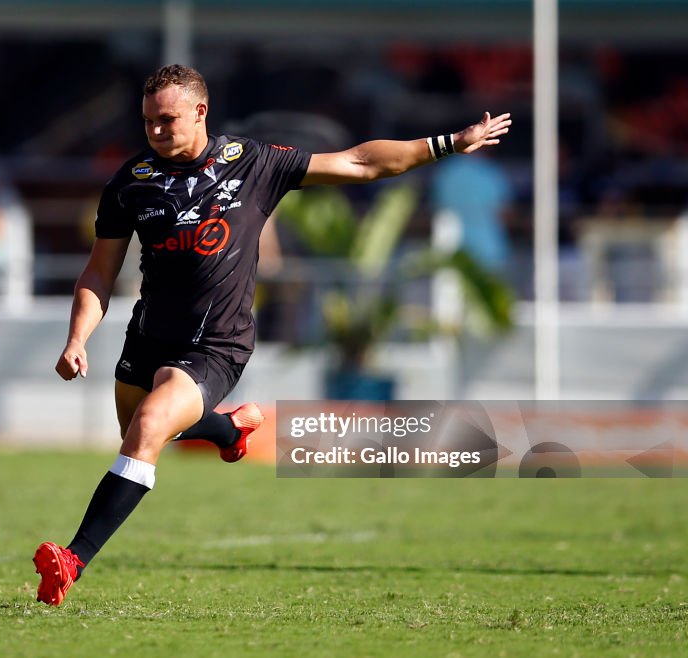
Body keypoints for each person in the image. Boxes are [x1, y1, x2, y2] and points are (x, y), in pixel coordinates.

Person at [34, 64, 510, 606]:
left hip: (218, 344)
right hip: (148, 337)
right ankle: (227, 432)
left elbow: (358, 162)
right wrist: (77, 339)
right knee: (140, 433)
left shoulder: (253, 163)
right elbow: (99, 272)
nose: (157, 131)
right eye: (147, 122)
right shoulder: (130, 184)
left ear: (200, 112)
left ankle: (71, 560)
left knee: (149, 425)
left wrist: (448, 142)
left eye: (167, 119)